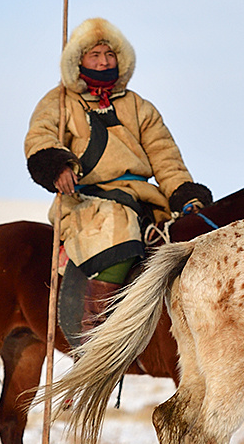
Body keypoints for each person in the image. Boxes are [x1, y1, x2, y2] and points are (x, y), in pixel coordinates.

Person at [25, 17, 213, 332]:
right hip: (89, 201)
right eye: (95, 55)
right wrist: (56, 165)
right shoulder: (59, 103)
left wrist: (184, 193)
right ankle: (96, 333)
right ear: (78, 61)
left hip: (143, 198)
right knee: (119, 237)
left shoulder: (138, 106)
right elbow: (40, 137)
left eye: (109, 55)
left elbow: (164, 155)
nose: (103, 61)